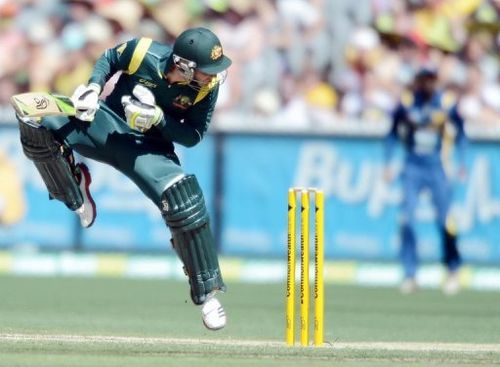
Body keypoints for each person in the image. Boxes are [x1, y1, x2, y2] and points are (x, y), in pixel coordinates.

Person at [15, 27, 231, 329]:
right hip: (104, 123)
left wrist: (158, 119)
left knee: (185, 200)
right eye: (207, 71)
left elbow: (194, 135)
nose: (213, 76)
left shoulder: (207, 88)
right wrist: (92, 87)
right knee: (32, 113)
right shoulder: (143, 51)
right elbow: (109, 59)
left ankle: (208, 294)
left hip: (149, 149)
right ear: (184, 65)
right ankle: (74, 189)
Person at [383, 67, 467, 295]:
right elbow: (391, 133)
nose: (428, 85)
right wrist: (388, 162)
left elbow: (461, 133)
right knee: (407, 219)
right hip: (412, 166)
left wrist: (462, 162)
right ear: (418, 82)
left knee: (445, 221)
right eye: (424, 80)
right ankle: (410, 274)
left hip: (437, 167)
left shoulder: (447, 102)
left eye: (432, 80)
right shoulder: (408, 102)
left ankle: (452, 270)